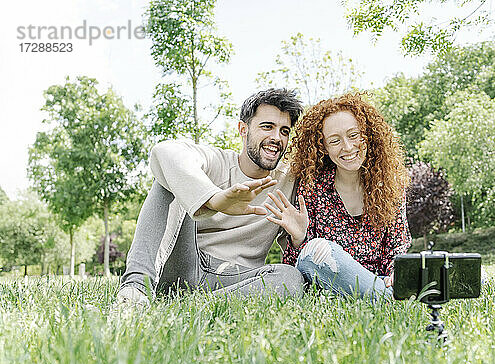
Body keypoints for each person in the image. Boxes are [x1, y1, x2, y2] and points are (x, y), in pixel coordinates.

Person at [117, 88, 304, 305]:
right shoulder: (217, 161)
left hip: (237, 279)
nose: (276, 138)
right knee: (168, 177)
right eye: (267, 127)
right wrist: (215, 199)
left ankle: (192, 307)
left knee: (290, 279)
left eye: (284, 131)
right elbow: (165, 151)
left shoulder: (290, 180)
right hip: (185, 264)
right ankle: (134, 293)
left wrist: (299, 238)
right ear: (243, 130)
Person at [264, 93, 411, 301]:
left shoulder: (390, 187)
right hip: (327, 287)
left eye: (354, 135)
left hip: (375, 280)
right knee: (317, 249)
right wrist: (298, 240)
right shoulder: (312, 186)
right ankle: (388, 300)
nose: (348, 147)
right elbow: (301, 267)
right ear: (323, 146)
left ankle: (378, 296)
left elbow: (397, 247)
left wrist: (397, 272)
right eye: (335, 140)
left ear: (367, 135)